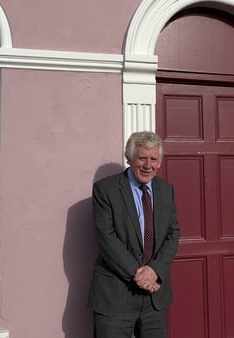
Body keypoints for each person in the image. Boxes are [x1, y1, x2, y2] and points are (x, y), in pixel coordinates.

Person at [89, 131, 180, 338]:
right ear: (129, 158)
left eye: (153, 159)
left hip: (154, 298)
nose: (148, 165)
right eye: (142, 158)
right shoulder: (105, 189)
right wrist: (140, 275)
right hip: (115, 294)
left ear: (159, 163)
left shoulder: (166, 190)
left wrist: (154, 271)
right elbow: (107, 237)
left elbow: (173, 233)